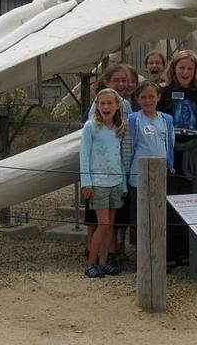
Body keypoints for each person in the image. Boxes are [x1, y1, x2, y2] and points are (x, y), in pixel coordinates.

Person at [158, 50, 197, 264]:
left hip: (192, 153)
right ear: (174, 69)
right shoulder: (164, 93)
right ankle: (169, 250)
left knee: (190, 199)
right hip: (170, 153)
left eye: (189, 68)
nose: (185, 72)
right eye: (181, 68)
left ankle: (188, 250)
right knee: (168, 200)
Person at [84, 64, 133, 261]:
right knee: (102, 223)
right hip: (98, 180)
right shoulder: (92, 125)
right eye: (116, 80)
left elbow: (121, 153)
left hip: (115, 180)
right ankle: (92, 260)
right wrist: (86, 181)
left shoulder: (121, 122)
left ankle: (105, 260)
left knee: (110, 224)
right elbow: (85, 154)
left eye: (124, 80)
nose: (106, 107)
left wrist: (123, 181)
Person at [127, 81, 175, 246]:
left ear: (158, 97)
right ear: (138, 99)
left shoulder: (166, 120)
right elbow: (128, 147)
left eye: (151, 96)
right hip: (137, 176)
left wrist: (170, 164)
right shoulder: (133, 119)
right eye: (143, 97)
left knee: (157, 213)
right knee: (139, 214)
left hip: (159, 174)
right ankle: (139, 252)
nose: (148, 101)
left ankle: (157, 249)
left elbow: (170, 144)